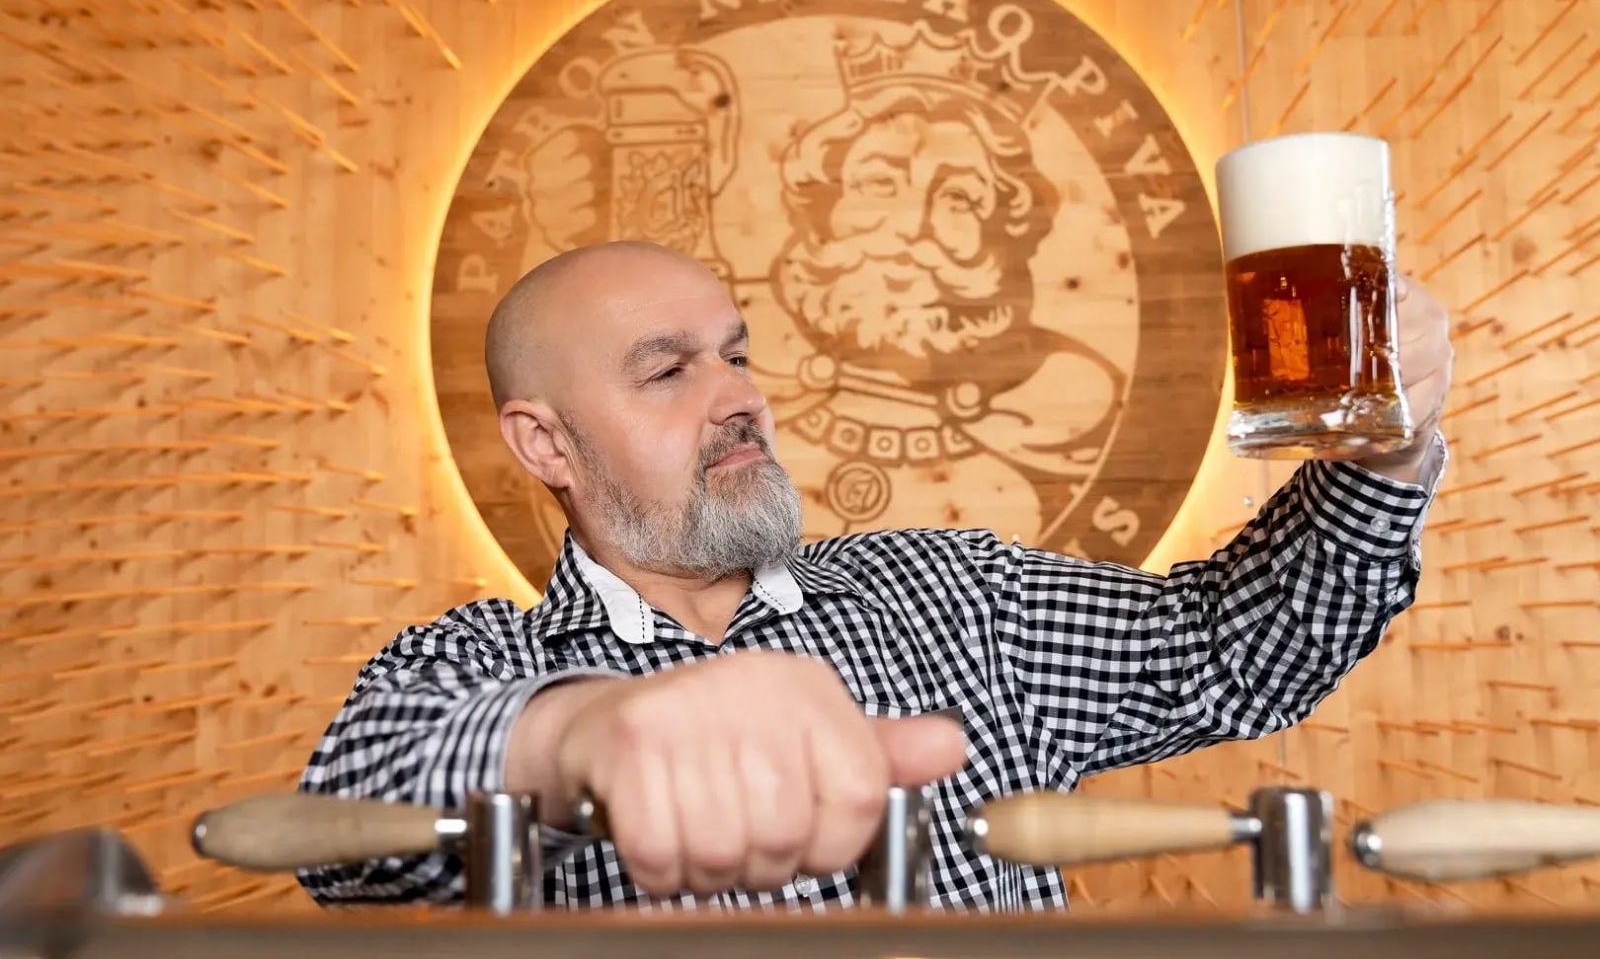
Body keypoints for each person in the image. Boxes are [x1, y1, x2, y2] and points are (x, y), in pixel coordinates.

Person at [299, 240, 1452, 910]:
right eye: (667, 372)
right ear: (545, 444)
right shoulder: (488, 664)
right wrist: (574, 741)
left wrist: (1384, 457)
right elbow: (340, 822)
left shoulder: (949, 597)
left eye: (736, 355)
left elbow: (1239, 649)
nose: (739, 394)